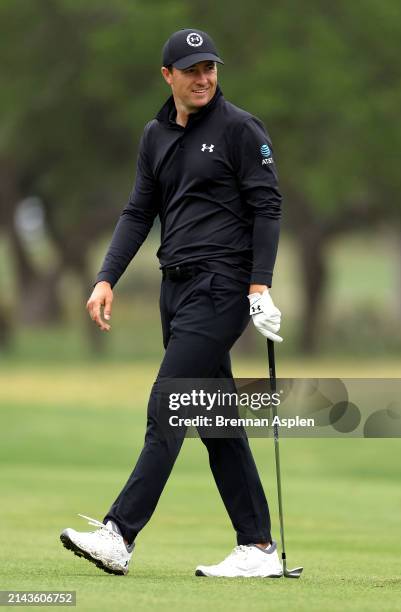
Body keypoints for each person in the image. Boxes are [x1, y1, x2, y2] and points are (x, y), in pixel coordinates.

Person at [60, 28, 284, 578]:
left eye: (210, 67)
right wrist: (106, 277)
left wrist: (259, 286)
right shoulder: (155, 136)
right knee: (215, 418)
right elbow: (139, 212)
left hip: (222, 286)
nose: (204, 77)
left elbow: (268, 206)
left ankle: (120, 533)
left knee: (170, 403)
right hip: (176, 289)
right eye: (192, 70)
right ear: (169, 76)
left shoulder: (239, 128)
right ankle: (256, 548)